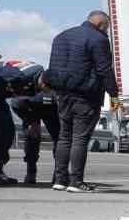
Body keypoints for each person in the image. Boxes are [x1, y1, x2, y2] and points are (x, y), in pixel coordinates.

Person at [44, 11, 118, 192]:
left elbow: (53, 66)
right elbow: (104, 70)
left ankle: (59, 180)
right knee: (80, 139)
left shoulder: (60, 36)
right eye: (106, 28)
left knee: (64, 137)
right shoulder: (98, 39)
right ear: (101, 24)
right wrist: (115, 95)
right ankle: (76, 181)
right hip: (86, 96)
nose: (107, 32)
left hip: (62, 95)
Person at [0, 60, 48, 186]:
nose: (44, 92)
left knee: (8, 131)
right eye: (45, 88)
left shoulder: (35, 76)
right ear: (43, 81)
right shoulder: (18, 76)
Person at [8, 70, 63, 186]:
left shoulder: (52, 91)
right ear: (42, 83)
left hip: (50, 110)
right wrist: (32, 121)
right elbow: (16, 103)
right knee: (31, 137)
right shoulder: (24, 78)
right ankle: (31, 172)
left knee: (60, 139)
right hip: (29, 109)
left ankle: (59, 174)